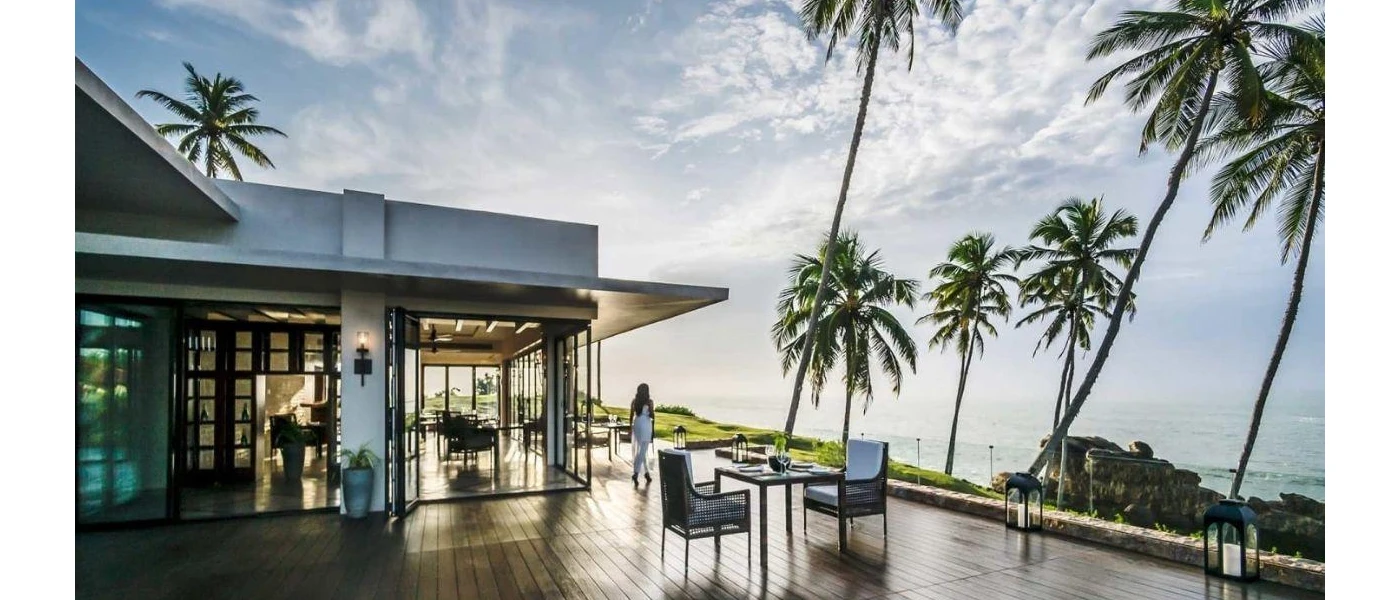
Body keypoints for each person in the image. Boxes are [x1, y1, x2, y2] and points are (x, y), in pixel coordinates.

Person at [630, 383, 655, 486]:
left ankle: (646, 473)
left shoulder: (634, 401)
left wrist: (630, 428)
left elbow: (631, 415)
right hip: (646, 425)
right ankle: (635, 473)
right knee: (643, 450)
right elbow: (652, 415)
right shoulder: (649, 402)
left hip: (637, 424)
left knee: (642, 450)